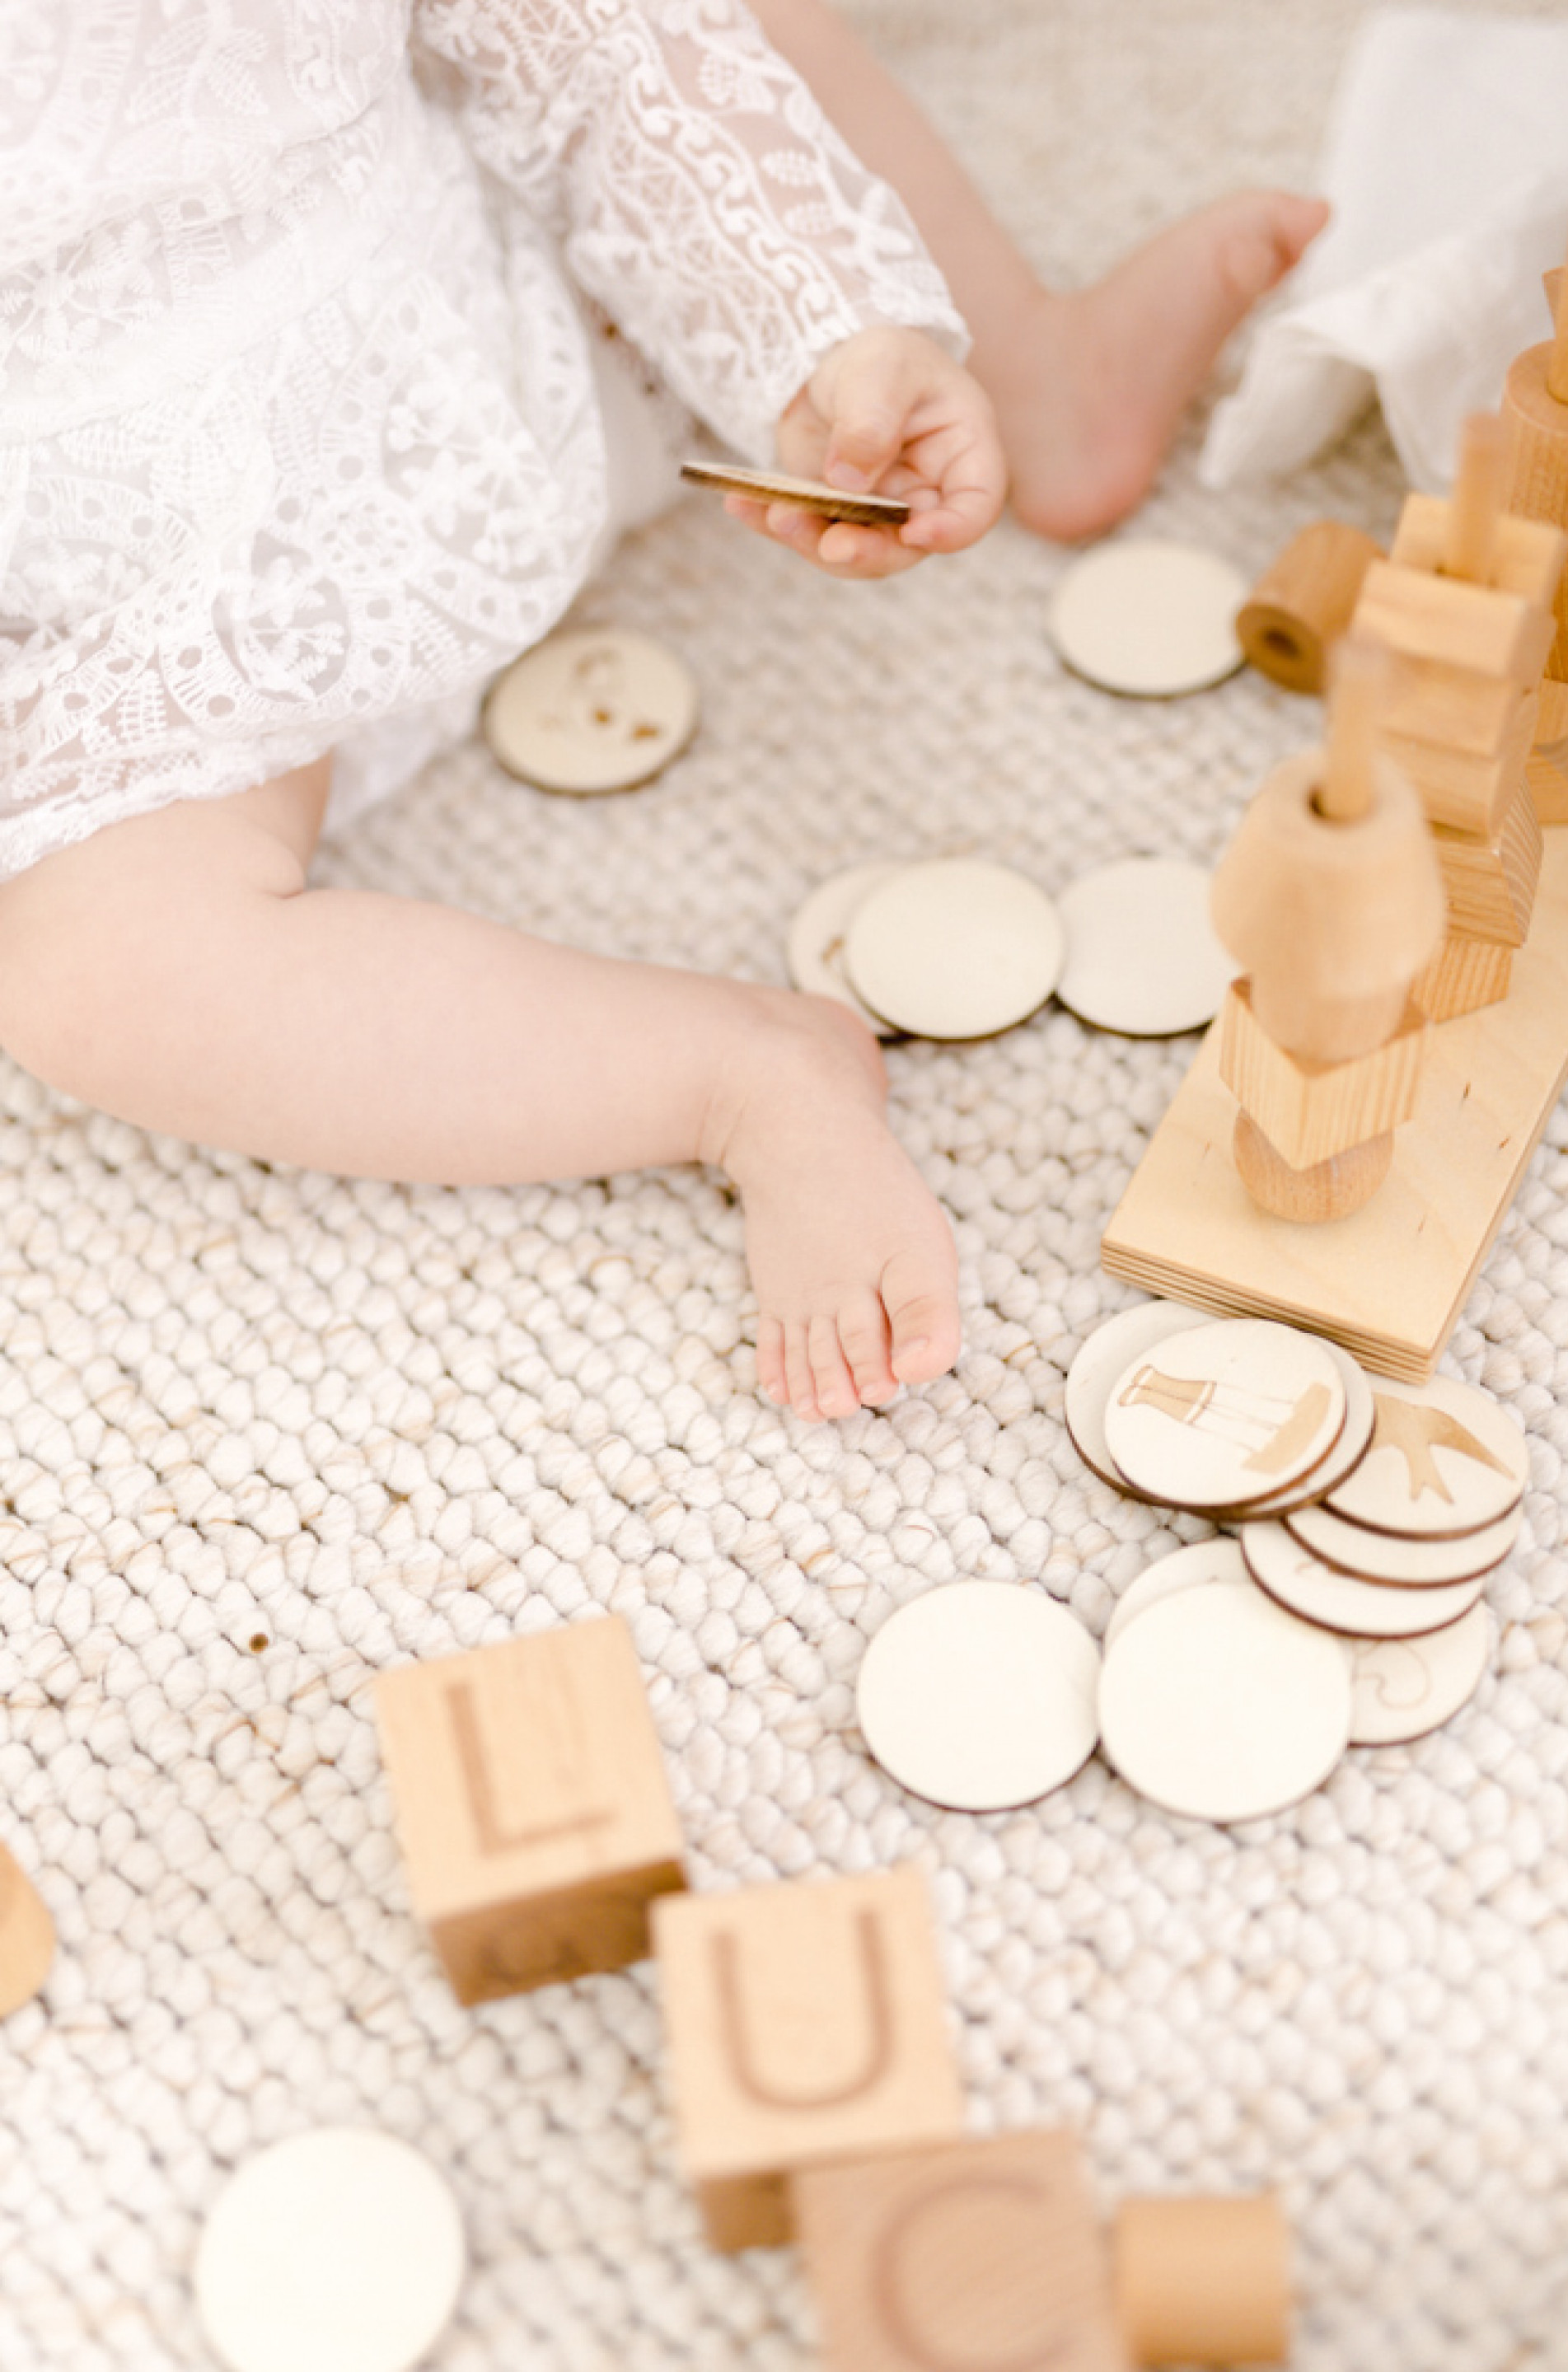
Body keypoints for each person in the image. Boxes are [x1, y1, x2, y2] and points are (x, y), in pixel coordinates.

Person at [0, 2, 1323, 1426]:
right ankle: (732, 1070)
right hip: (106, 573)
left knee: (711, 39)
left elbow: (596, 51)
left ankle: (1026, 371)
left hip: (483, 296)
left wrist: (824, 332)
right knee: (94, 968)